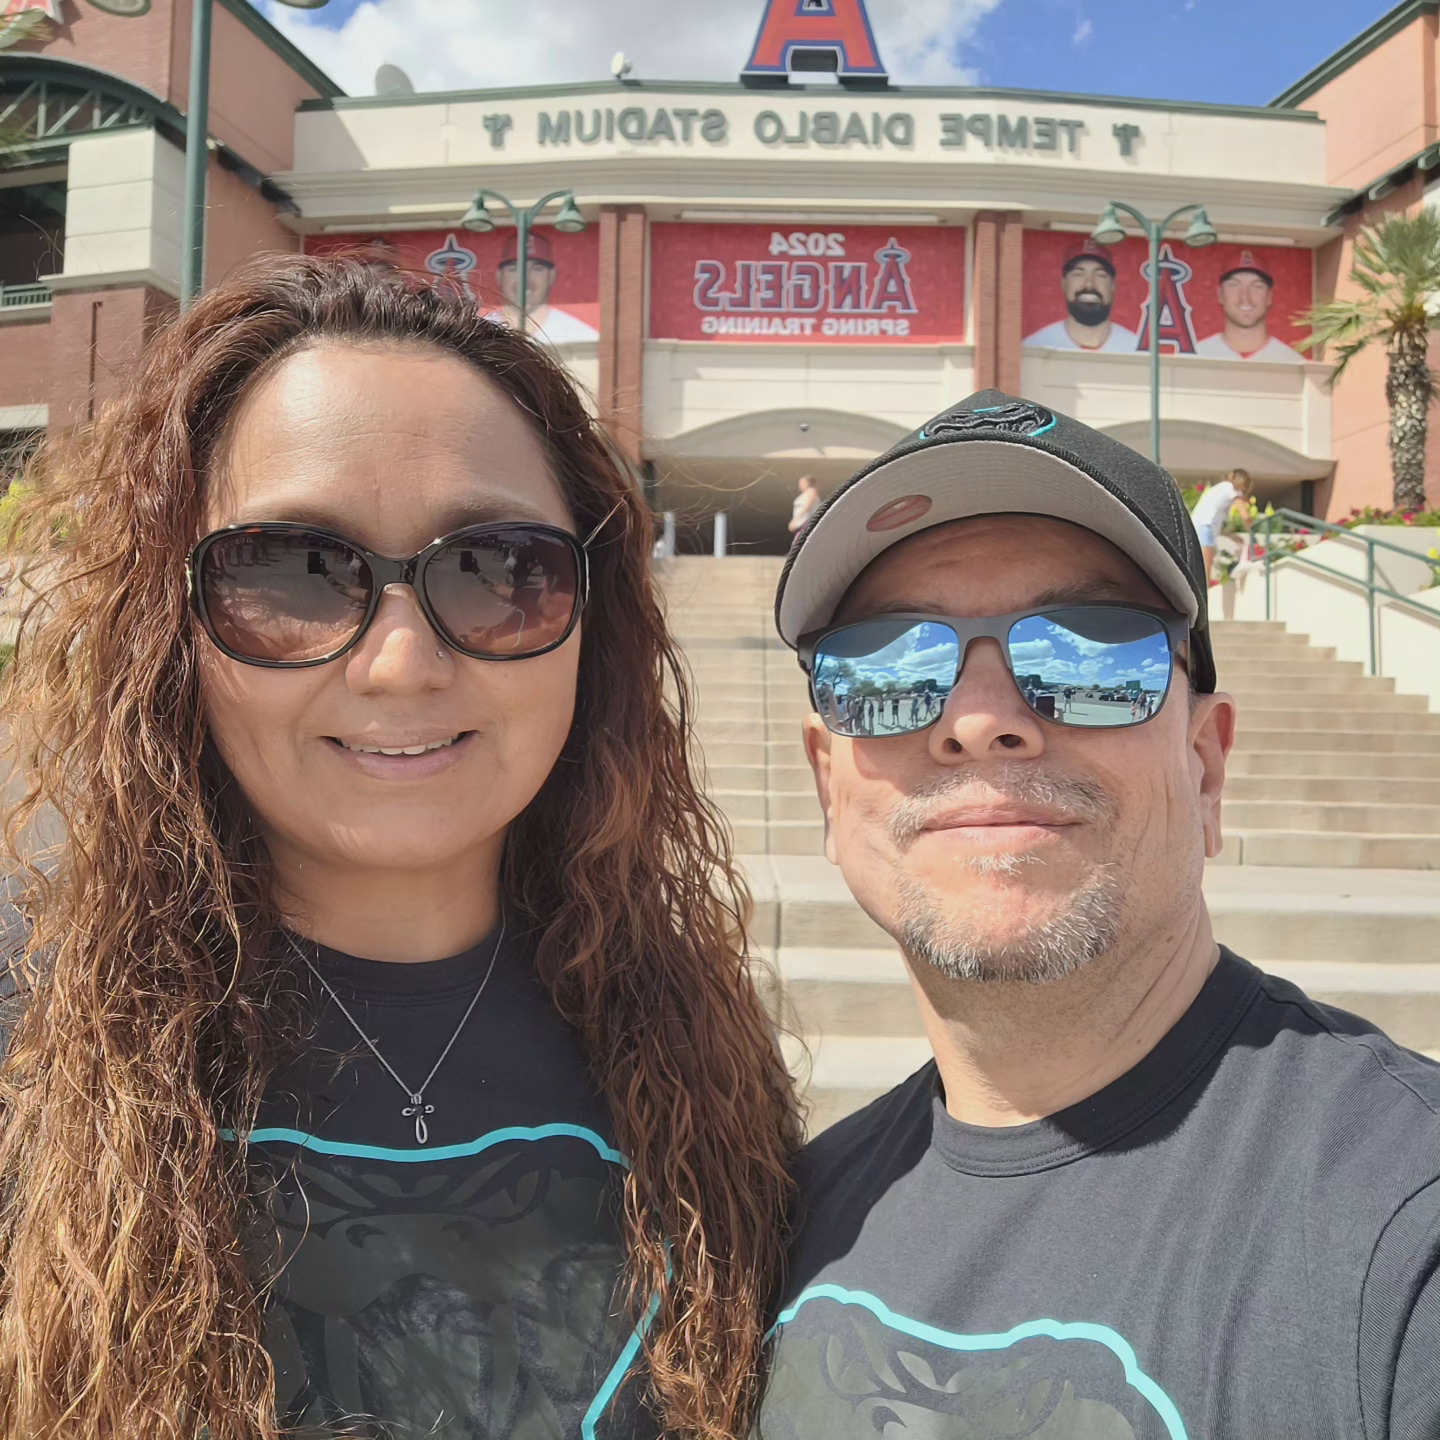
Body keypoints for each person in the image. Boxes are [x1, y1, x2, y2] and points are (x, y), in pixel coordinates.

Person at [0, 256, 799, 1440]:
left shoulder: (692, 1051)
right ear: (172, 627)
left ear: (596, 620)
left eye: (498, 569)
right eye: (292, 571)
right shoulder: (32, 1031)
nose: (402, 663)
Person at [758, 389, 1440, 1440]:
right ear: (826, 784)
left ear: (1206, 768)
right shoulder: (785, 1223)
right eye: (888, 664)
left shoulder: (1405, 1226)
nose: (979, 720)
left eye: (1092, 649)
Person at [1023, 239, 1139, 353]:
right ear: (1064, 285)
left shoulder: (1136, 351)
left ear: (1113, 286)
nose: (1089, 284)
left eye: (1100, 275)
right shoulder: (1035, 347)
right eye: (1078, 274)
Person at [488, 229, 600, 344]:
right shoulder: (481, 334)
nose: (525, 278)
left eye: (537, 269)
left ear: (551, 275)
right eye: (514, 269)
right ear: (499, 276)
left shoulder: (579, 335)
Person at [1194, 252, 1305, 362]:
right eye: (1234, 285)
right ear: (1220, 294)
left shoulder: (1292, 362)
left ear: (1269, 297)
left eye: (1257, 286)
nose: (1245, 297)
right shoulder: (1197, 357)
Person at [1190, 466, 1254, 583]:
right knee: (1205, 571)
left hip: (1197, 526)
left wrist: (1231, 536)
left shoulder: (1221, 488)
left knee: (1200, 568)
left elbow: (1215, 517)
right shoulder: (1233, 489)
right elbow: (1245, 516)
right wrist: (1252, 532)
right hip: (1205, 527)